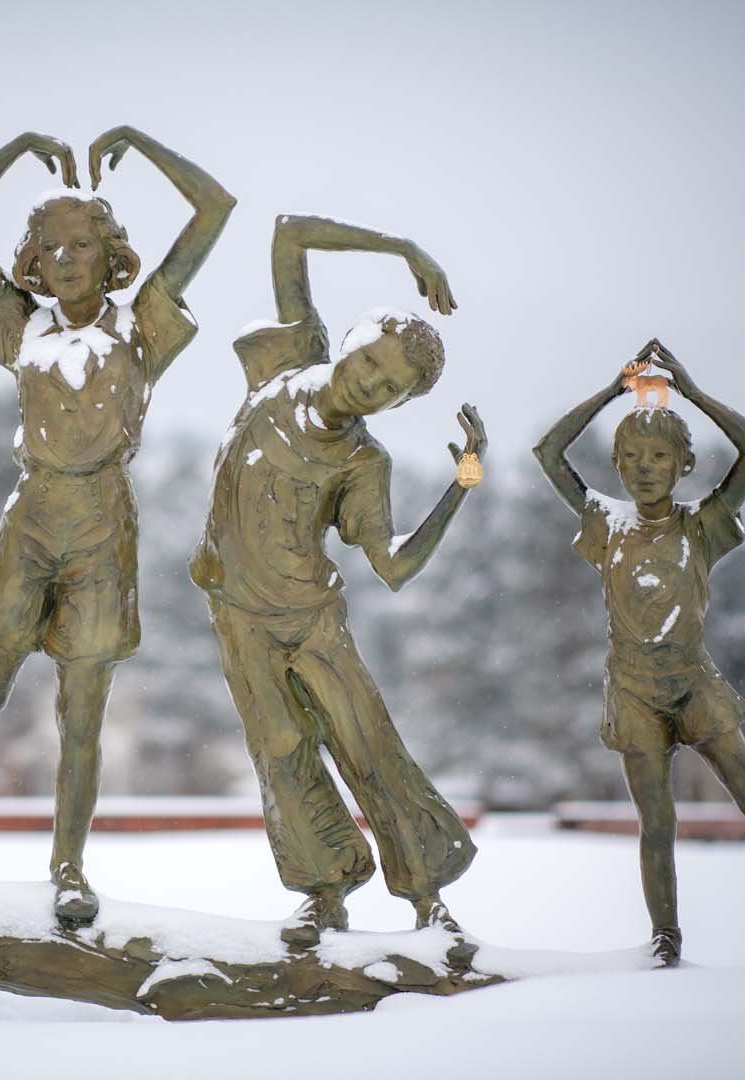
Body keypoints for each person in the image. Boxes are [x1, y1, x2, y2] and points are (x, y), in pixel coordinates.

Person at [0, 129, 234, 927]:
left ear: (111, 256)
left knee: (82, 713)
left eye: (83, 243)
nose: (67, 258)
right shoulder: (22, 326)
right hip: (31, 519)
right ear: (31, 263)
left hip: (103, 525)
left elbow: (214, 208)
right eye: (50, 247)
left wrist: (141, 144)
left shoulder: (141, 327)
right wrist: (14, 148)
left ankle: (68, 865)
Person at [533, 340, 745, 966]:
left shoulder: (701, 525)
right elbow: (549, 452)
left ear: (682, 466)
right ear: (616, 464)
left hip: (694, 685)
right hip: (633, 690)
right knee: (657, 822)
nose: (645, 468)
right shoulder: (606, 524)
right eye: (632, 456)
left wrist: (690, 393)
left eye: (660, 456)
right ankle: (666, 938)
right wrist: (614, 390)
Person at [189, 213, 485, 946]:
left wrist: (461, 486)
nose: (369, 385)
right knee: (280, 752)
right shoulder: (284, 363)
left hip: (311, 618)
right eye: (368, 364)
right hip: (237, 613)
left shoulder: (363, 463)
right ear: (346, 342)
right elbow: (288, 233)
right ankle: (325, 891)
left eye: (389, 389)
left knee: (368, 745)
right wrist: (404, 248)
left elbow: (392, 565)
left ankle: (427, 897)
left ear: (399, 404)